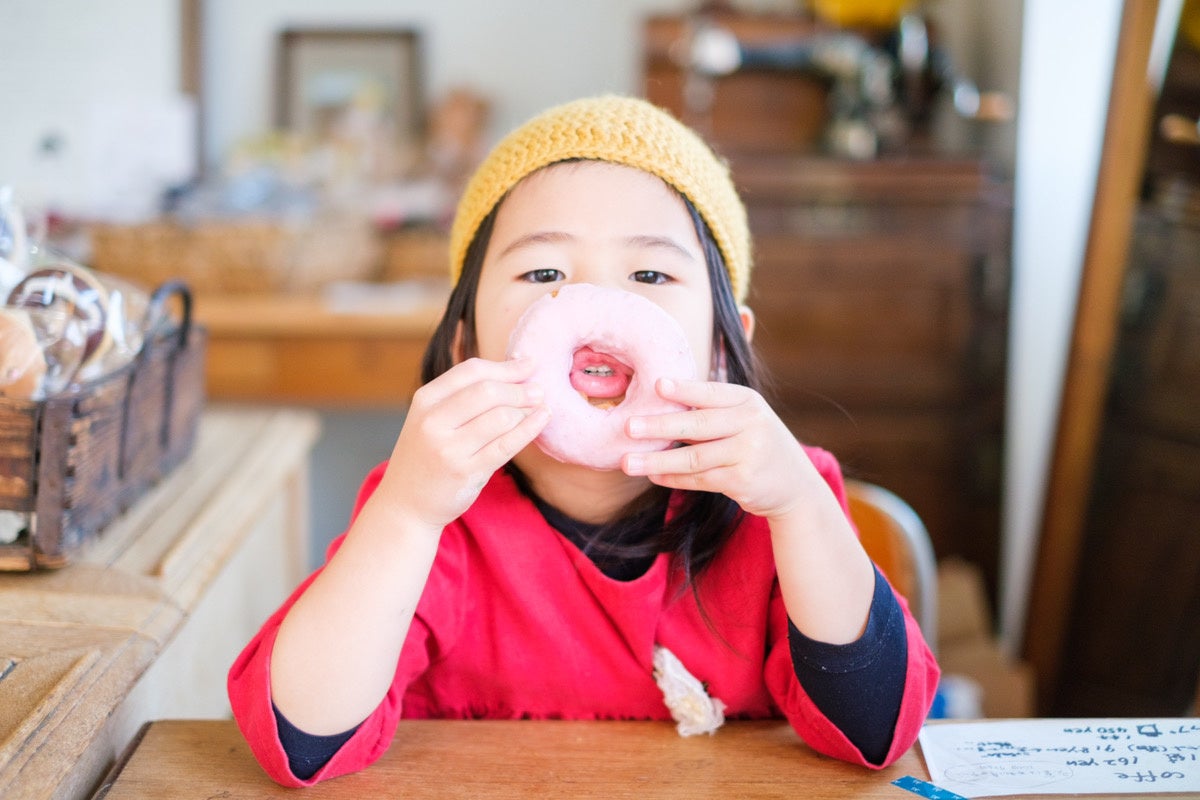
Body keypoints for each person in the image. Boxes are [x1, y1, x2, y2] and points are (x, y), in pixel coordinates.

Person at [228, 94, 940, 787]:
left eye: (651, 273)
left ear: (723, 347)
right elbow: (303, 740)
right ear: (464, 344)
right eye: (544, 272)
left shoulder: (777, 507)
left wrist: (800, 508)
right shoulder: (433, 516)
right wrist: (407, 516)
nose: (601, 301)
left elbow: (875, 730)